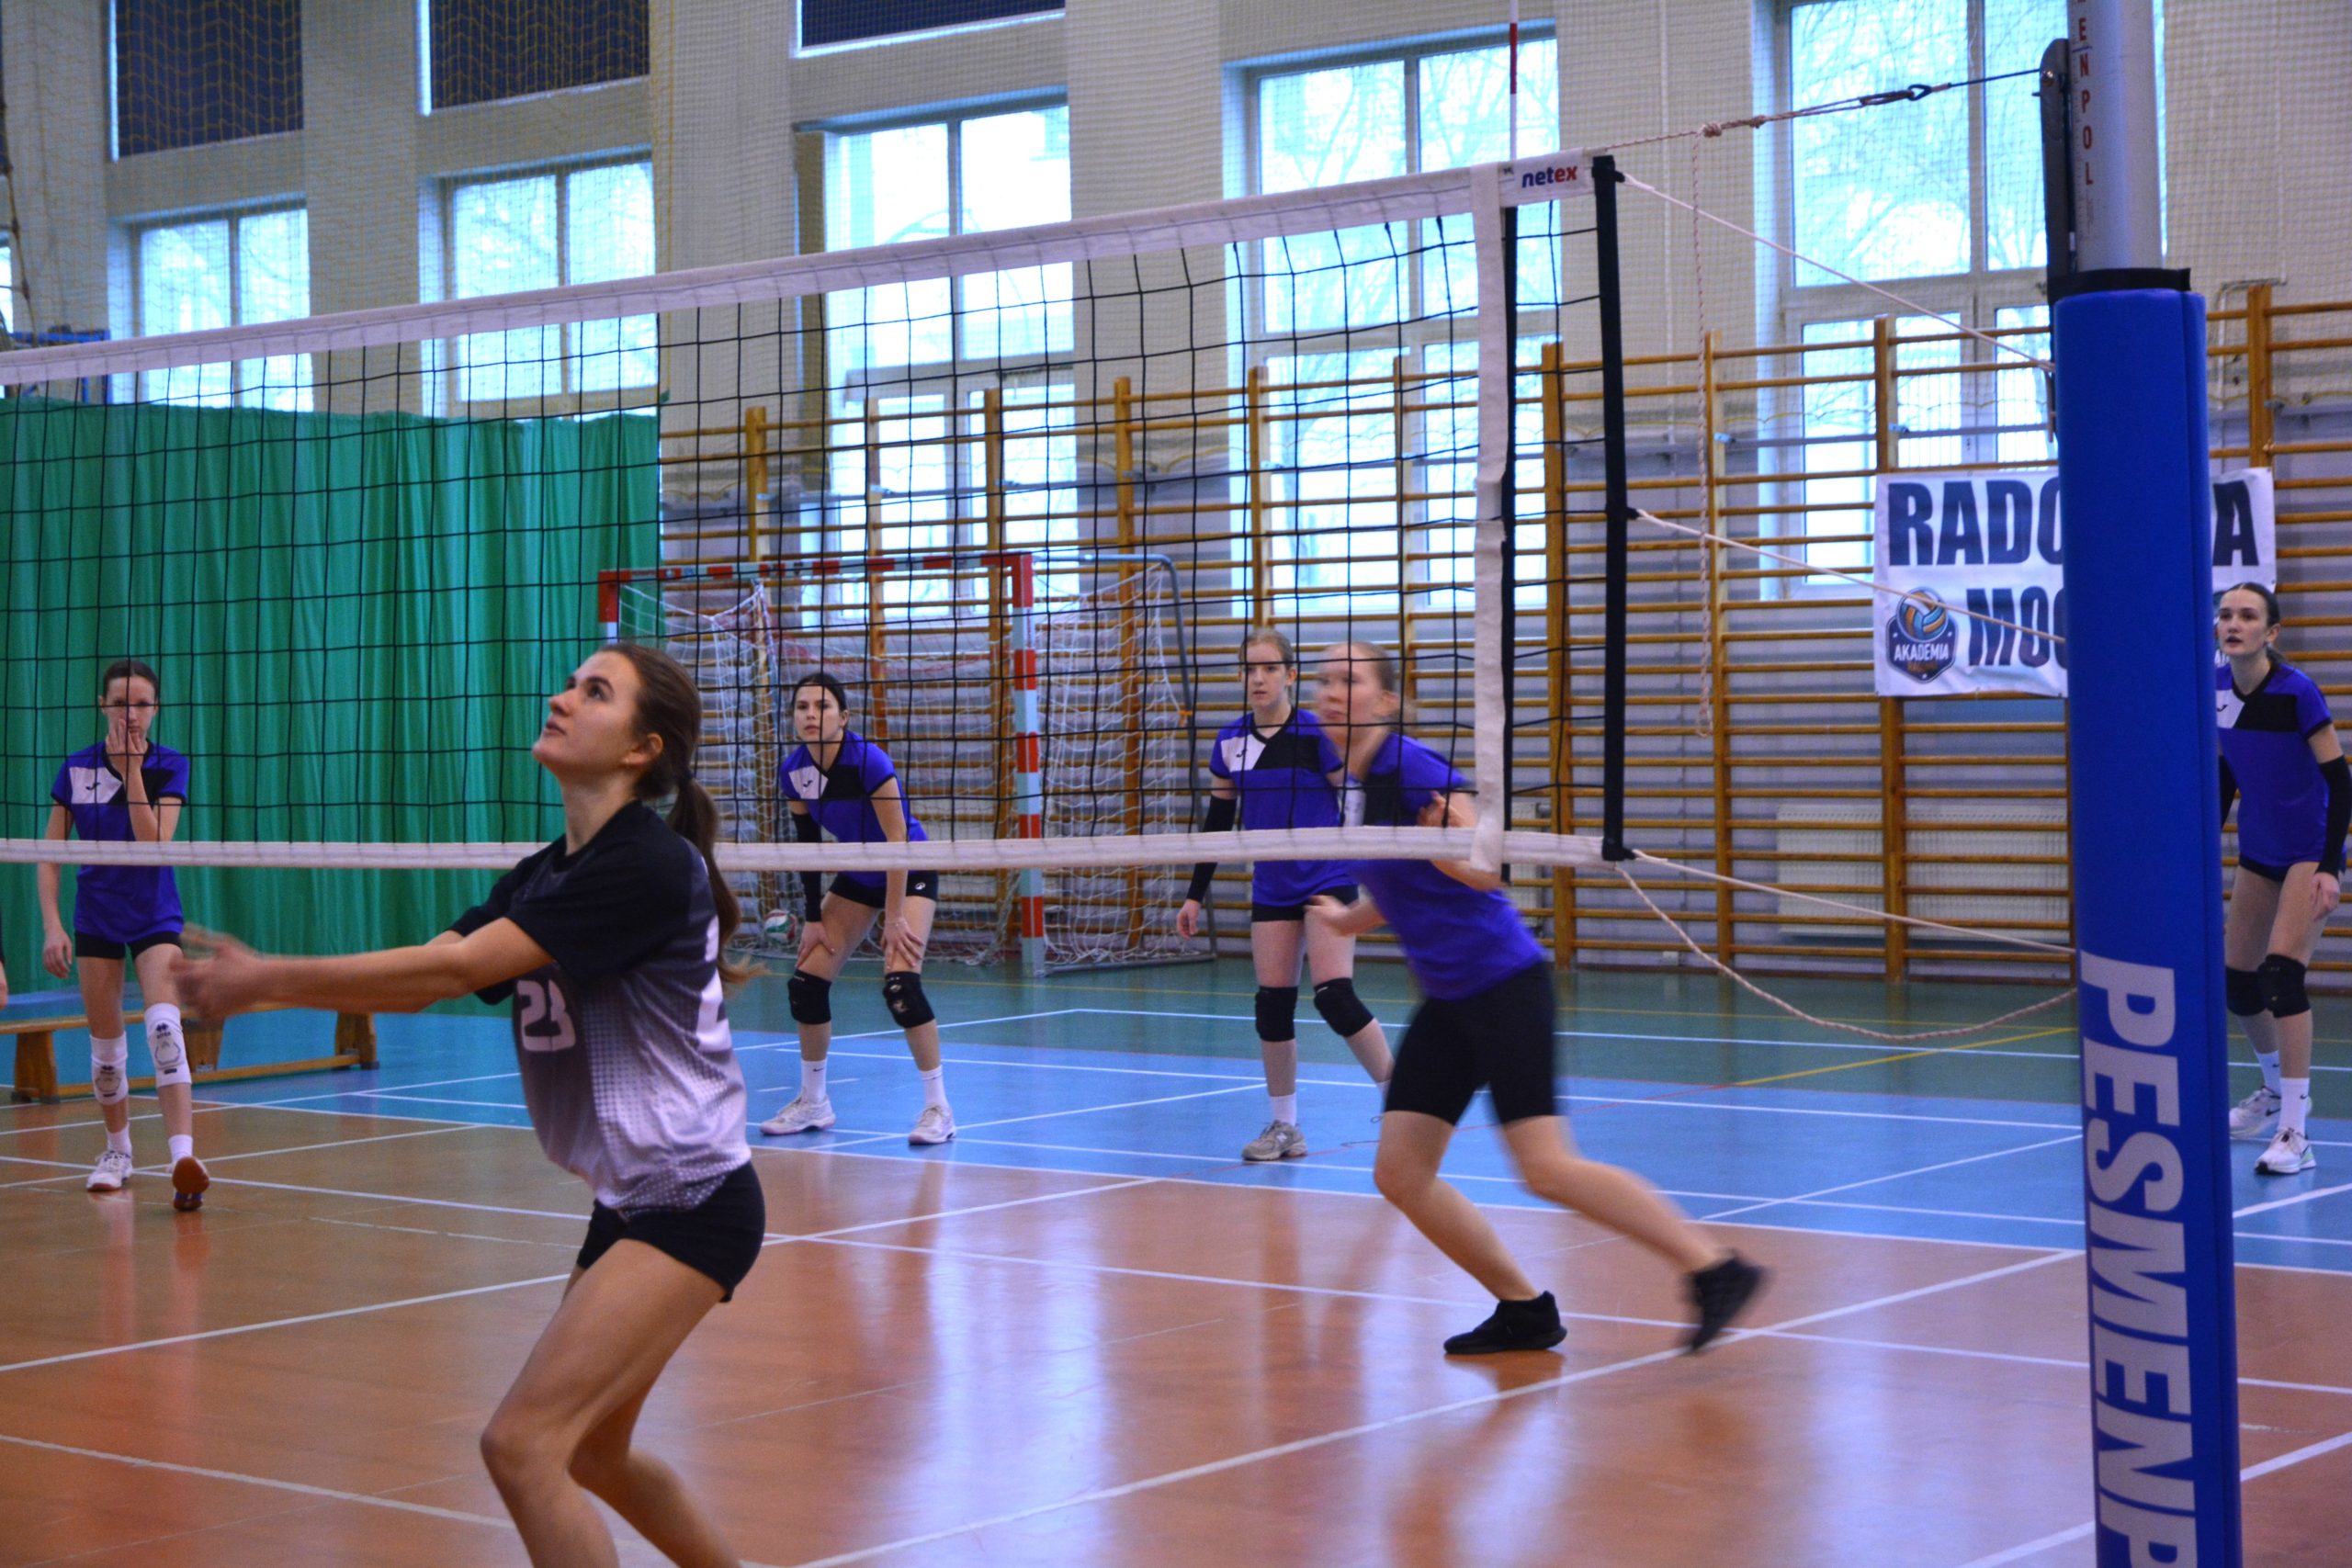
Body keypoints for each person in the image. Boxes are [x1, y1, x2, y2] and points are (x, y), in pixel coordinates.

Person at [178, 643, 763, 1568]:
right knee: (591, 1454)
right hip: (632, 1201)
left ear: (640, 749)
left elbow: (454, 971)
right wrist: (263, 988)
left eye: (594, 691)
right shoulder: (545, 874)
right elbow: (426, 974)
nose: (562, 697)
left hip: (692, 1203)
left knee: (523, 1447)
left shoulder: (646, 867)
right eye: (571, 682)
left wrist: (268, 980)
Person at [1305, 641, 1765, 1355]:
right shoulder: (1356, 784)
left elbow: (1489, 868)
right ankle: (1525, 1309)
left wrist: (1446, 848)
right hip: (1449, 999)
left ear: (1387, 701)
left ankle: (1715, 1267)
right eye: (1325, 679)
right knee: (1400, 1172)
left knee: (1545, 1166)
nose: (1333, 690)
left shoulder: (1408, 765)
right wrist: (1348, 919)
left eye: (1350, 679)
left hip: (1501, 985)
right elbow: (1402, 881)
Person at [1178, 627, 1392, 1160]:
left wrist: (1369, 866)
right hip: (1272, 884)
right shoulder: (1230, 742)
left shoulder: (1317, 733)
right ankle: (1285, 1126)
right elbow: (1218, 821)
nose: (1259, 678)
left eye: (1270, 668)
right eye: (1250, 669)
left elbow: (1354, 799)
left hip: (1326, 879)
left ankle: (1403, 1099)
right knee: (1272, 1005)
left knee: (1334, 996)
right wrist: (1194, 894)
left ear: (1290, 675)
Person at [759, 671, 955, 1145]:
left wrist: (895, 916)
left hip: (908, 869)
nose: (810, 714)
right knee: (806, 983)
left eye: (822, 706)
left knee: (901, 983)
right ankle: (814, 1102)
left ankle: (939, 1109)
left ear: (843, 717)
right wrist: (812, 918)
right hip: (858, 874)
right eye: (802, 707)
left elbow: (897, 841)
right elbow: (807, 848)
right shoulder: (795, 772)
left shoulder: (869, 761)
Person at [37, 659, 206, 1208]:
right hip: (97, 918)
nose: (130, 714)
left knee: (165, 1029)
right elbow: (47, 855)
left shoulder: (170, 764)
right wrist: (53, 925)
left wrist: (132, 771)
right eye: (120, 703)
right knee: (107, 1053)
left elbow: (153, 844)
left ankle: (182, 1158)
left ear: (155, 709)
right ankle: (117, 1151)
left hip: (154, 915)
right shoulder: (77, 769)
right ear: (102, 706)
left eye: (141, 704)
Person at [2217, 581, 2346, 1176]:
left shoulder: (2297, 692)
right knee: (2239, 982)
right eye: (2226, 614)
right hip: (2260, 849)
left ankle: (2296, 1131)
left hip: (2306, 850)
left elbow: (2340, 780)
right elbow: (2226, 771)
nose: (2233, 623)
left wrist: (2329, 864)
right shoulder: (2218, 688)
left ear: (2270, 632)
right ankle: (2272, 1091)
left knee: (2280, 975)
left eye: (2248, 616)